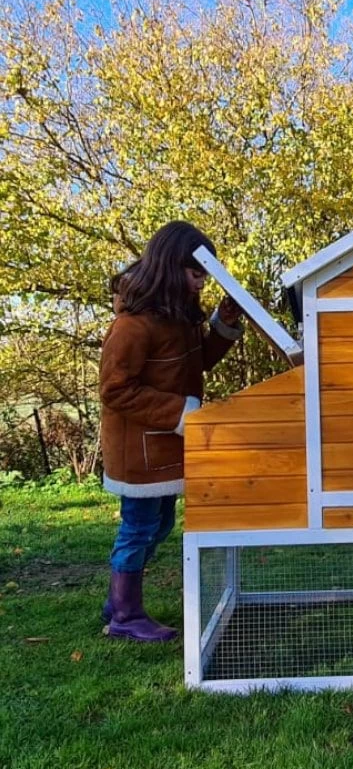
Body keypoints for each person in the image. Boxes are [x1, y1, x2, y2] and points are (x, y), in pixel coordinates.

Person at [99, 222, 244, 641]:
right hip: (138, 450)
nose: (201, 282)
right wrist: (183, 412)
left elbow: (197, 364)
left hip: (165, 444)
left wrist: (223, 324)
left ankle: (116, 602)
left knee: (158, 525)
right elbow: (115, 390)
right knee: (139, 527)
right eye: (195, 272)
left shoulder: (176, 317)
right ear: (169, 266)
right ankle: (125, 615)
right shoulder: (133, 324)